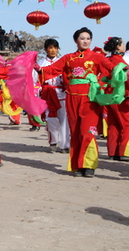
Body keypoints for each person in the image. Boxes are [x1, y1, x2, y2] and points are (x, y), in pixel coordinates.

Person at [38, 27, 118, 177]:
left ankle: (89, 166)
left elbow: (112, 69)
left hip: (90, 98)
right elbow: (53, 69)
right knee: (75, 132)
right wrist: (39, 69)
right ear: (76, 41)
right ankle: (77, 165)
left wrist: (120, 72)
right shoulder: (68, 58)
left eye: (88, 38)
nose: (85, 41)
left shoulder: (97, 57)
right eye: (82, 38)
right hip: (72, 97)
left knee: (87, 131)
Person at [38, 39, 70, 153]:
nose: (53, 50)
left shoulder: (63, 63)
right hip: (47, 94)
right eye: (50, 47)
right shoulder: (41, 64)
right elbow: (35, 81)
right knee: (50, 119)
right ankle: (53, 140)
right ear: (45, 49)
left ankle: (64, 145)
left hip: (61, 94)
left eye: (55, 48)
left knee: (64, 120)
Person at [102, 37, 129, 161]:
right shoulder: (121, 63)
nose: (124, 46)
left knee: (113, 124)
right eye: (122, 44)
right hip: (120, 96)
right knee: (126, 124)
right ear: (118, 46)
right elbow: (126, 80)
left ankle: (113, 152)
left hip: (107, 96)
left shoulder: (106, 60)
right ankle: (124, 151)